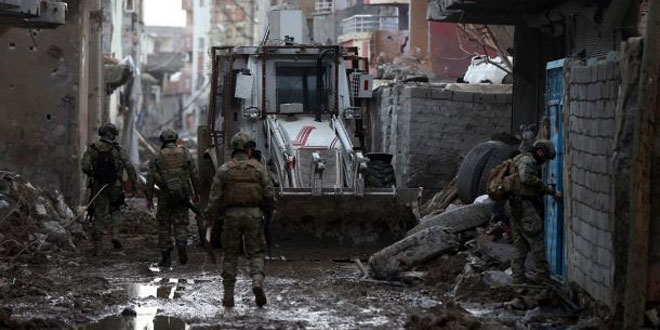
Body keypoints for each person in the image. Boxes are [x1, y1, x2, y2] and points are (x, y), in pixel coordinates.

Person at [204, 132, 276, 308]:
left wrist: (210, 218)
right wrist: (270, 212)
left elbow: (214, 198)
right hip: (254, 215)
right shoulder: (259, 168)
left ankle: (228, 297)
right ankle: (257, 283)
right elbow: (269, 195)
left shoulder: (224, 170)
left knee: (230, 256)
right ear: (249, 150)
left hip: (231, 216)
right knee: (256, 253)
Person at [508, 139, 561, 285]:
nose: (544, 162)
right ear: (540, 152)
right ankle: (543, 277)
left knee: (520, 245)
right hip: (524, 206)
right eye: (545, 158)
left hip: (516, 205)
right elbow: (526, 178)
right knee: (536, 240)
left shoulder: (520, 158)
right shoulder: (528, 161)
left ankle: (518, 278)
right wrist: (548, 189)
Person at [145, 129, 200, 267]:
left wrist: (149, 198)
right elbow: (194, 174)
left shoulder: (157, 156)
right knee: (181, 223)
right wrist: (196, 193)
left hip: (165, 196)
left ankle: (166, 258)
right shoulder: (185, 153)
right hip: (182, 195)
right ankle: (181, 244)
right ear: (176, 139)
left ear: (162, 140)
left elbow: (150, 178)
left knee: (164, 226)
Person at [81, 122, 138, 256]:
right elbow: (129, 166)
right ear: (111, 134)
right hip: (115, 186)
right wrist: (134, 183)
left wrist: (93, 174)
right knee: (115, 210)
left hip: (99, 186)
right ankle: (115, 235)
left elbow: (84, 167)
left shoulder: (93, 149)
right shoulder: (118, 150)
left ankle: (98, 247)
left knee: (98, 214)